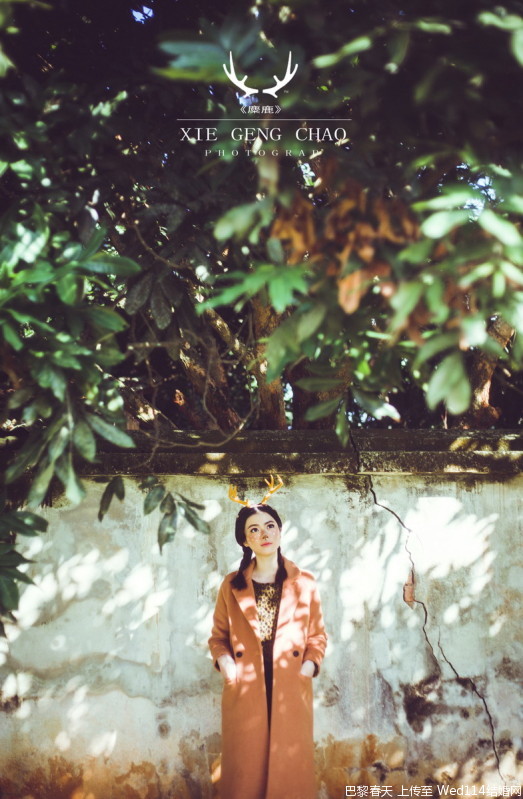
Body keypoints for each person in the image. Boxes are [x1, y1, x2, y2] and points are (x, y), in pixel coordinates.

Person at [208, 477, 327, 799]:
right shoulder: (231, 584)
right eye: (254, 530)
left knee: (290, 766)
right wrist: (227, 664)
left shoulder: (305, 582)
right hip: (247, 683)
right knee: (246, 769)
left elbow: (317, 636)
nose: (264, 534)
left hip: (290, 681)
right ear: (245, 540)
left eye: (270, 526)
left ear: (280, 530)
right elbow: (218, 637)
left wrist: (308, 668)